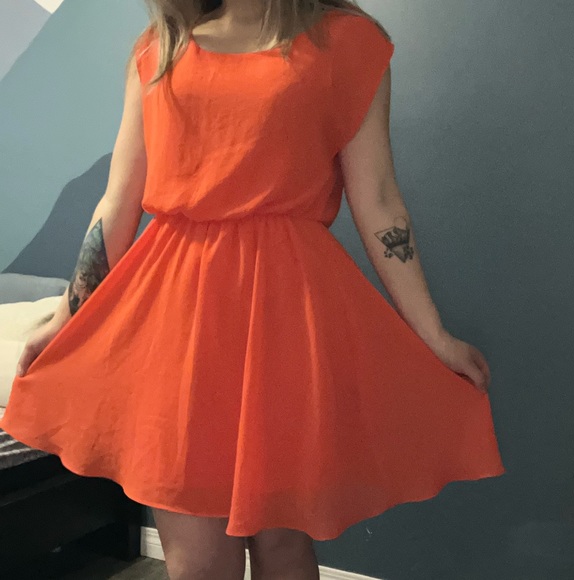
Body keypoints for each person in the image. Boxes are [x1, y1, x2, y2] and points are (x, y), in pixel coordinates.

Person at [0, 0, 506, 578]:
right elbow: (118, 203)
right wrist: (65, 317)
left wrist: (433, 334)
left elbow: (380, 200)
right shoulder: (159, 49)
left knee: (282, 547)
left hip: (287, 319)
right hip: (176, 318)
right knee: (198, 560)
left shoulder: (348, 43)